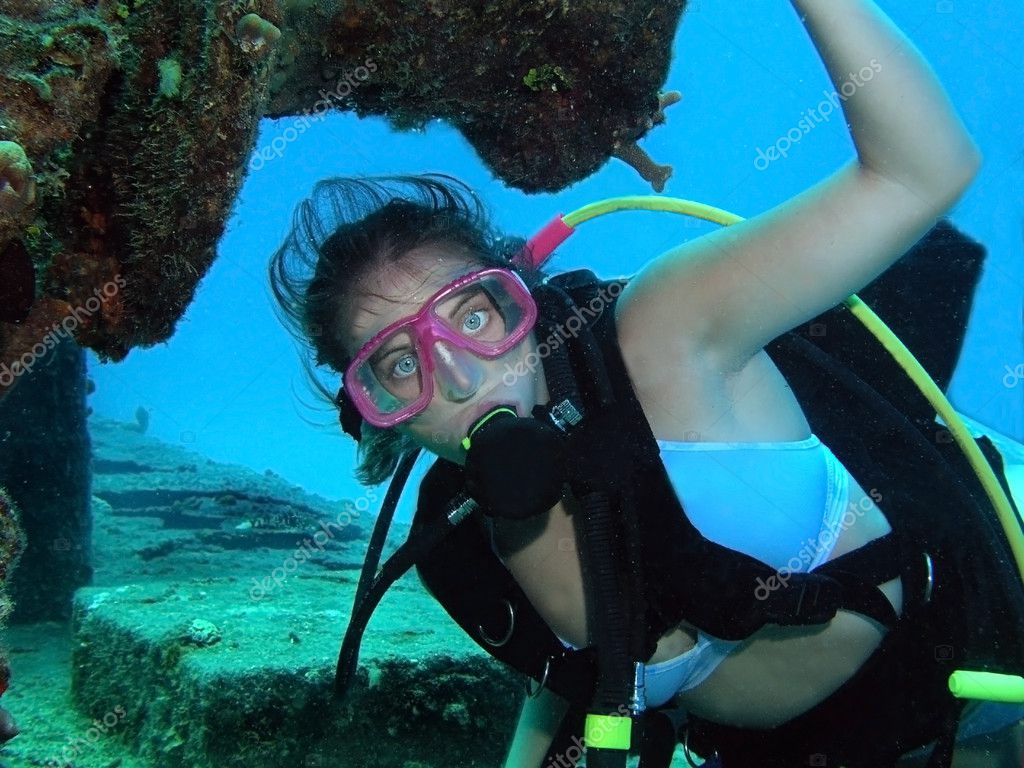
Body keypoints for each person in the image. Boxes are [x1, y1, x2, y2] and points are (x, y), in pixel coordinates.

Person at [269, 1, 1024, 765]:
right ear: (373, 411)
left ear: (522, 300)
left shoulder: (665, 330)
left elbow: (923, 171)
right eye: (399, 365)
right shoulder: (457, 538)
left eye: (472, 316)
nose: (461, 375)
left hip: (982, 691)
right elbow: (575, 672)